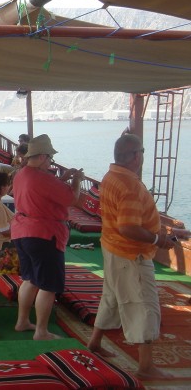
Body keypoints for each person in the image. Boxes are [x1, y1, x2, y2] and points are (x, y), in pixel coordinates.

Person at [86, 134, 190, 380]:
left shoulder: (111, 177)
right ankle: (145, 368)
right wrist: (158, 240)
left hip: (112, 248)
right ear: (135, 156)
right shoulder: (130, 186)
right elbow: (128, 228)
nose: (143, 155)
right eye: (141, 151)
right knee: (143, 306)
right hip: (131, 254)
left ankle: (94, 342)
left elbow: (128, 221)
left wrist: (166, 231)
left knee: (111, 296)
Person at [11, 134, 84, 340]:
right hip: (43, 234)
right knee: (48, 285)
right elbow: (71, 198)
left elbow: (43, 191)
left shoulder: (21, 174)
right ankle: (41, 331)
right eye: (50, 158)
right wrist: (76, 181)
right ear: (42, 157)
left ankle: (22, 321)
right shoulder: (43, 178)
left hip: (22, 232)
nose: (51, 161)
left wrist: (63, 179)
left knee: (30, 279)